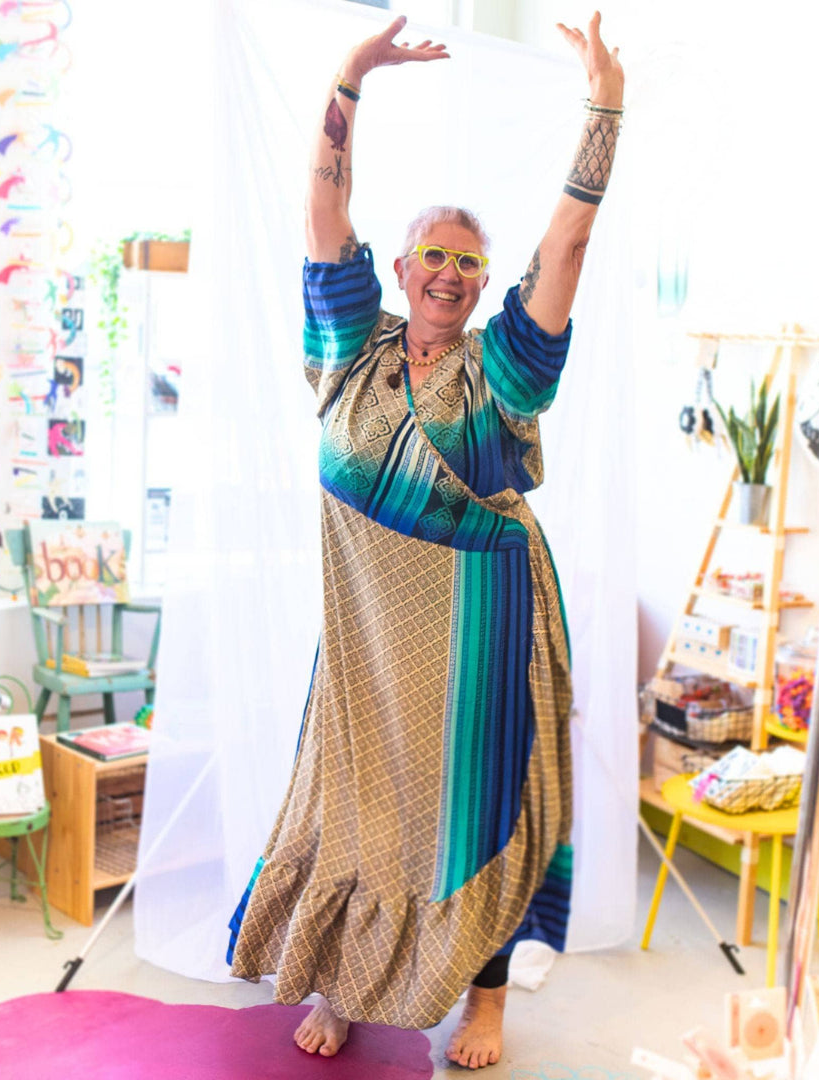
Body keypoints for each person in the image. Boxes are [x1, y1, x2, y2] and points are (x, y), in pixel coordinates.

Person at [228, 11, 623, 1071]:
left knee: (478, 815)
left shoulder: (505, 371)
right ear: (400, 270)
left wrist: (604, 108)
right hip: (368, 639)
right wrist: (351, 75)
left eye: (469, 260)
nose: (449, 270)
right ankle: (350, 983)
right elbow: (323, 200)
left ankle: (485, 1002)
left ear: (483, 283)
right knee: (355, 808)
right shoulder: (349, 349)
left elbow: (571, 245)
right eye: (433, 254)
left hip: (486, 631)